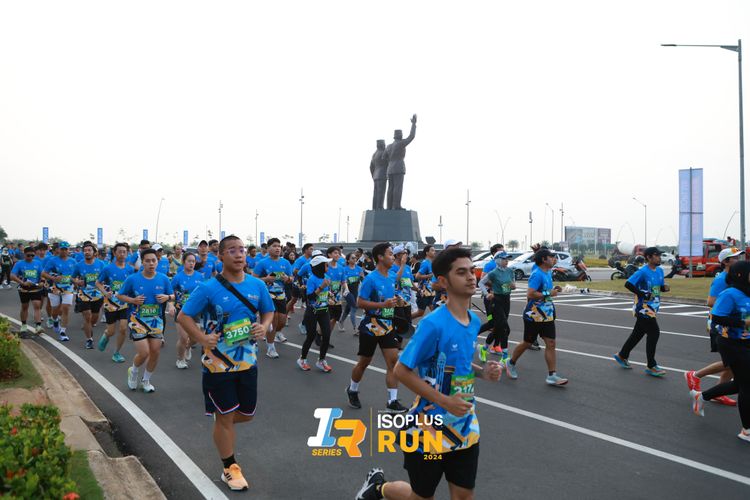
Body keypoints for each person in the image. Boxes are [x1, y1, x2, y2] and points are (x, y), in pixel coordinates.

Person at [355, 247, 502, 500]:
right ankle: (378, 488)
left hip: (465, 426)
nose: (471, 277)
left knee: (464, 496)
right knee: (421, 497)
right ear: (443, 281)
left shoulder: (473, 321)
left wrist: (483, 372)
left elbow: (460, 363)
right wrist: (444, 401)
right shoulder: (432, 324)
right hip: (428, 427)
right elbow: (401, 370)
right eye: (461, 272)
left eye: (471, 271)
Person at [177, 235, 274, 492]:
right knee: (226, 416)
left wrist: (263, 326)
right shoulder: (208, 288)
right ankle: (229, 467)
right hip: (217, 364)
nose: (239, 254)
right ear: (220, 255)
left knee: (247, 414)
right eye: (232, 250)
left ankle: (222, 421)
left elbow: (268, 310)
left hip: (248, 361)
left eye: (241, 250)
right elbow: (183, 316)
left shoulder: (257, 285)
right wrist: (202, 338)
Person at [689, 260, 750, 443]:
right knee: (747, 386)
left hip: (746, 342)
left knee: (740, 384)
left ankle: (702, 396)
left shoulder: (747, 292)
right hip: (731, 343)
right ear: (741, 274)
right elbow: (716, 317)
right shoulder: (730, 294)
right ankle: (746, 430)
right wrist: (742, 323)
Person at [347, 243, 407, 413]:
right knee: (364, 362)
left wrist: (397, 301)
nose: (393, 257)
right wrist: (382, 304)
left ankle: (392, 401)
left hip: (387, 325)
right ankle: (352, 389)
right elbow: (360, 302)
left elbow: (389, 297)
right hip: (371, 325)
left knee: (393, 362)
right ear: (380, 257)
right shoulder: (370, 279)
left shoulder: (392, 275)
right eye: (390, 254)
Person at [685, 247, 742, 406]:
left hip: (733, 324)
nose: (739, 260)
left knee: (731, 364)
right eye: (735, 257)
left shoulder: (735, 277)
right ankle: (695, 375)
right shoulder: (721, 279)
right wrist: (732, 303)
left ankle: (719, 392)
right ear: (726, 261)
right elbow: (710, 301)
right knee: (731, 362)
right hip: (720, 325)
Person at [505, 248, 568, 386]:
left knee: (551, 343)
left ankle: (552, 376)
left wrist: (553, 289)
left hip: (547, 315)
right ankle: (510, 363)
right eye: (551, 256)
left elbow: (545, 290)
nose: (554, 259)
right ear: (544, 260)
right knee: (527, 343)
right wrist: (549, 293)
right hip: (533, 315)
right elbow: (530, 293)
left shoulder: (548, 272)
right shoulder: (537, 274)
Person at [117, 248, 175, 393]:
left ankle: (146, 380)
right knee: (144, 353)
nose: (151, 263)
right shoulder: (133, 279)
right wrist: (133, 300)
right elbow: (120, 295)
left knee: (155, 351)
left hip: (156, 321)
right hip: (137, 320)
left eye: (153, 260)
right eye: (147, 261)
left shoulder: (163, 278)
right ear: (142, 262)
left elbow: (173, 295)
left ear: (157, 261)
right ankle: (133, 371)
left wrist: (168, 299)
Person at [613, 247, 670, 377]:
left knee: (637, 333)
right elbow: (628, 284)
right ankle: (651, 365)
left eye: (660, 255)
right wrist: (641, 294)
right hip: (643, 308)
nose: (659, 257)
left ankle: (622, 355)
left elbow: (658, 287)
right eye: (656, 255)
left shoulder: (660, 271)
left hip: (653, 307)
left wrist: (663, 288)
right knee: (654, 332)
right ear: (649, 257)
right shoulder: (643, 272)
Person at [252, 237, 293, 357]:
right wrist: (266, 279)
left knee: (282, 321)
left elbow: (291, 278)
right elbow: (253, 279)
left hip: (281, 295)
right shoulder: (262, 263)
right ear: (268, 248)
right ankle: (270, 348)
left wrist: (288, 279)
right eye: (274, 246)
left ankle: (275, 333)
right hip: (267, 295)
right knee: (273, 320)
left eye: (279, 246)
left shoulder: (285, 263)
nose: (277, 248)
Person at [96, 242, 135, 363]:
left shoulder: (130, 269)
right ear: (114, 253)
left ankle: (117, 353)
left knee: (123, 329)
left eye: (124, 252)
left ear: (127, 254)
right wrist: (104, 292)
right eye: (120, 252)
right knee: (111, 331)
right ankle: (106, 335)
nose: (122, 254)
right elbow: (98, 282)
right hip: (111, 304)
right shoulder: (107, 268)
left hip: (125, 303)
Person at [297, 254, 334, 372]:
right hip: (312, 312)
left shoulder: (327, 277)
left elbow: (326, 292)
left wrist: (329, 296)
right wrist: (321, 287)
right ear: (319, 266)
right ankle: (302, 359)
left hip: (324, 311)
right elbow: (310, 297)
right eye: (326, 265)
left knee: (326, 335)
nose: (328, 266)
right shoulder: (312, 279)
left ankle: (321, 361)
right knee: (311, 336)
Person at [478, 251, 515, 362]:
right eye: (504, 259)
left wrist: (512, 286)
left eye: (507, 259)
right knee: (504, 328)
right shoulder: (493, 272)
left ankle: (484, 348)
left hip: (506, 300)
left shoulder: (510, 271)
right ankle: (505, 356)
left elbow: (513, 285)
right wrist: (486, 294)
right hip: (496, 301)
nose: (507, 261)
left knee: (498, 327)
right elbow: (480, 283)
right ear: (498, 260)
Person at [171, 252, 204, 369]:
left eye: (193, 261)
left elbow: (203, 292)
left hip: (195, 311)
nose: (191, 263)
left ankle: (188, 347)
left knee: (195, 338)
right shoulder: (177, 277)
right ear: (183, 262)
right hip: (181, 311)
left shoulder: (200, 276)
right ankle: (180, 360)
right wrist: (170, 305)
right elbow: (170, 292)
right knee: (183, 338)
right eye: (189, 261)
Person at [42, 241, 78, 341]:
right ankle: (55, 320)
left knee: (65, 308)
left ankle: (63, 332)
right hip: (55, 287)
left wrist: (76, 282)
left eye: (66, 249)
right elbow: (44, 273)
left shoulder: (73, 261)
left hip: (68, 288)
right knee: (55, 311)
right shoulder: (53, 260)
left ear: (68, 250)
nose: (64, 251)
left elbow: (76, 275)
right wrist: (53, 278)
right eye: (62, 249)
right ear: (59, 250)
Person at [73, 242, 105, 349]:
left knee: (94, 319)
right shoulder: (79, 265)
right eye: (85, 250)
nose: (87, 252)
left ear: (94, 252)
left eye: (89, 250)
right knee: (87, 316)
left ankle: (88, 325)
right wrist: (77, 282)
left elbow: (106, 276)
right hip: (84, 294)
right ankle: (89, 339)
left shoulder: (101, 264)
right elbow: (72, 277)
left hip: (97, 295)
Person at [10, 246, 44, 333]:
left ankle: (38, 326)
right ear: (24, 254)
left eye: (32, 255)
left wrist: (42, 282)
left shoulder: (38, 263)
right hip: (24, 288)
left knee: (37, 305)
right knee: (25, 306)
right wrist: (22, 282)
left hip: (35, 288)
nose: (30, 257)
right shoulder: (19, 263)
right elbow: (12, 275)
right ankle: (24, 325)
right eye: (28, 255)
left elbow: (42, 274)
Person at [478, 244, 504, 335]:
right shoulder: (490, 264)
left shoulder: (503, 265)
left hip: (501, 295)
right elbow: (482, 279)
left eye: (503, 251)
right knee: (490, 317)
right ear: (494, 253)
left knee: (500, 321)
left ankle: (493, 333)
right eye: (501, 251)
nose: (503, 253)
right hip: (490, 294)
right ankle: (475, 333)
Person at [326, 246, 347, 336]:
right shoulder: (325, 266)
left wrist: (346, 289)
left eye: (338, 253)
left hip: (337, 298)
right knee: (328, 319)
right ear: (329, 254)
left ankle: (327, 336)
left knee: (335, 318)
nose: (337, 255)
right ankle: (320, 334)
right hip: (326, 297)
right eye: (335, 253)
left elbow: (343, 281)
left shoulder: (341, 268)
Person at [341, 252, 364, 332]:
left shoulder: (359, 269)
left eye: (355, 258)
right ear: (348, 260)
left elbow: (363, 280)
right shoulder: (345, 269)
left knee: (348, 308)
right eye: (352, 258)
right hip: (347, 292)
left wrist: (362, 278)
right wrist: (346, 290)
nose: (355, 259)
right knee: (354, 307)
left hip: (355, 291)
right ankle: (355, 328)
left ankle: (341, 321)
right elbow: (344, 282)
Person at [413, 245, 437, 320]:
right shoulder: (425, 263)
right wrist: (429, 275)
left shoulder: (431, 263)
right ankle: (405, 321)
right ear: (427, 252)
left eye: (434, 250)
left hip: (431, 291)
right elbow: (417, 276)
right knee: (420, 312)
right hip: (424, 292)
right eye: (432, 250)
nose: (434, 252)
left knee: (435, 310)